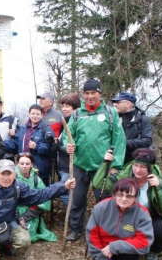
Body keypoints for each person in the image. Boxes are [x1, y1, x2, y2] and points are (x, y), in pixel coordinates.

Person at [0, 159, 75, 260]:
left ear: (15, 173)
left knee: (24, 241)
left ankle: (2, 244)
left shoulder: (18, 186)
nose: (6, 178)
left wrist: (63, 187)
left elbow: (39, 196)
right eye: (2, 174)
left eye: (9, 173)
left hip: (8, 224)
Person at [64, 78, 126, 241]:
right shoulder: (77, 114)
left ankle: (102, 231)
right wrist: (68, 145)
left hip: (102, 167)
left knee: (103, 201)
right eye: (87, 93)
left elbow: (119, 140)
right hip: (79, 165)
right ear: (83, 95)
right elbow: (67, 135)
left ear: (99, 93)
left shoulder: (110, 112)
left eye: (93, 93)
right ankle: (75, 229)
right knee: (77, 199)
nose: (90, 96)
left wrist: (115, 165)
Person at [93, 148, 162, 260]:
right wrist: (105, 163)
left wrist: (159, 187)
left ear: (151, 167)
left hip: (149, 216)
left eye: (142, 167)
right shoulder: (125, 175)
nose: (138, 170)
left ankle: (154, 251)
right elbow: (98, 184)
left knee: (161, 228)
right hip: (126, 215)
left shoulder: (157, 178)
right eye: (135, 165)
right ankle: (117, 249)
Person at [87, 178, 154, 260]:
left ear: (135, 197)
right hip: (104, 249)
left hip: (125, 250)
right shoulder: (101, 207)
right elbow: (92, 234)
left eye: (129, 196)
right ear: (114, 194)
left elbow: (144, 242)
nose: (123, 199)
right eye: (120, 194)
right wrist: (100, 258)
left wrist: (115, 246)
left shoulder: (142, 214)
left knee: (130, 254)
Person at [5, 104, 54, 186]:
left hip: (39, 169)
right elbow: (15, 144)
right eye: (33, 113)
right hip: (23, 168)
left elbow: (51, 149)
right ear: (29, 114)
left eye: (38, 114)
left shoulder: (46, 129)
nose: (35, 116)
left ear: (41, 115)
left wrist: (36, 147)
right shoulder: (23, 129)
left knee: (41, 193)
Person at [15, 153, 56, 242]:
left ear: (32, 164)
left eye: (27, 164)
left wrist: (24, 218)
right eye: (22, 164)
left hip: (30, 213)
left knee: (28, 235)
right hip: (13, 212)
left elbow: (44, 201)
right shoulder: (11, 177)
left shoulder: (36, 180)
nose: (24, 166)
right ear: (17, 164)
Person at [53, 93, 81, 207]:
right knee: (67, 192)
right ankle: (72, 217)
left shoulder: (78, 123)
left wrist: (59, 146)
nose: (64, 109)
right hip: (63, 165)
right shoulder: (63, 122)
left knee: (66, 192)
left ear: (76, 108)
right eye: (63, 106)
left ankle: (73, 216)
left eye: (67, 106)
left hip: (74, 166)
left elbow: (74, 146)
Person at [111, 92, 153, 164]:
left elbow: (147, 141)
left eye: (118, 102)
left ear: (128, 104)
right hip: (116, 161)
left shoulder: (142, 119)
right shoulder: (114, 118)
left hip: (136, 163)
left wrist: (124, 143)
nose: (115, 105)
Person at [0, 94, 18, 161]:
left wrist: (15, 134)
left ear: (1, 106)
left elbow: (18, 138)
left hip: (7, 157)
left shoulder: (11, 119)